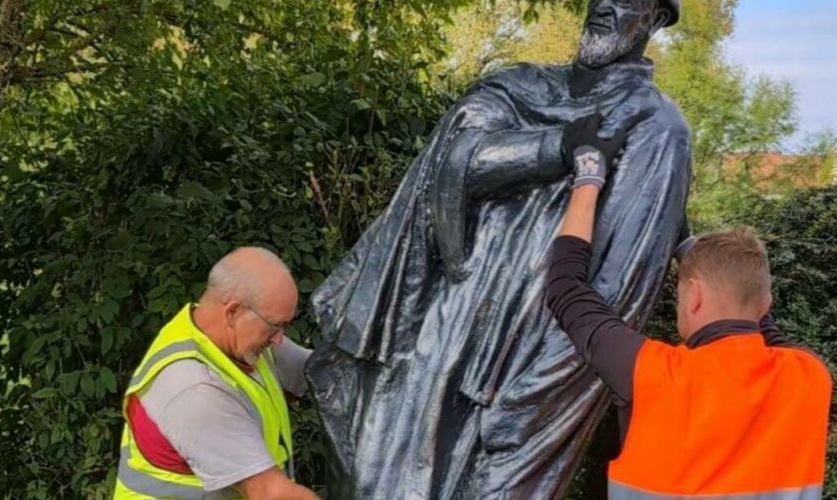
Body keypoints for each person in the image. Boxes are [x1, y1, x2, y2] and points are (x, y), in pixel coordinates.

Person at [306, 1, 692, 497]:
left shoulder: (657, 130)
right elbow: (448, 161)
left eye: (626, 0)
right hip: (435, 330)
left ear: (656, 18)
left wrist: (537, 399)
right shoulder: (518, 86)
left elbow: (618, 291)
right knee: (372, 482)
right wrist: (553, 148)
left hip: (518, 356)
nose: (603, 6)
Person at [546, 114, 833, 498]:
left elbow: (565, 287)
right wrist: (683, 242)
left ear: (693, 295)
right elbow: (761, 319)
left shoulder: (654, 375)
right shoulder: (810, 377)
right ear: (766, 301)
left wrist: (588, 175)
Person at [114, 247, 319, 499]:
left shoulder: (241, 341)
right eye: (275, 326)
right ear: (232, 312)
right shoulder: (193, 388)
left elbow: (322, 374)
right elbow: (270, 493)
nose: (279, 339)